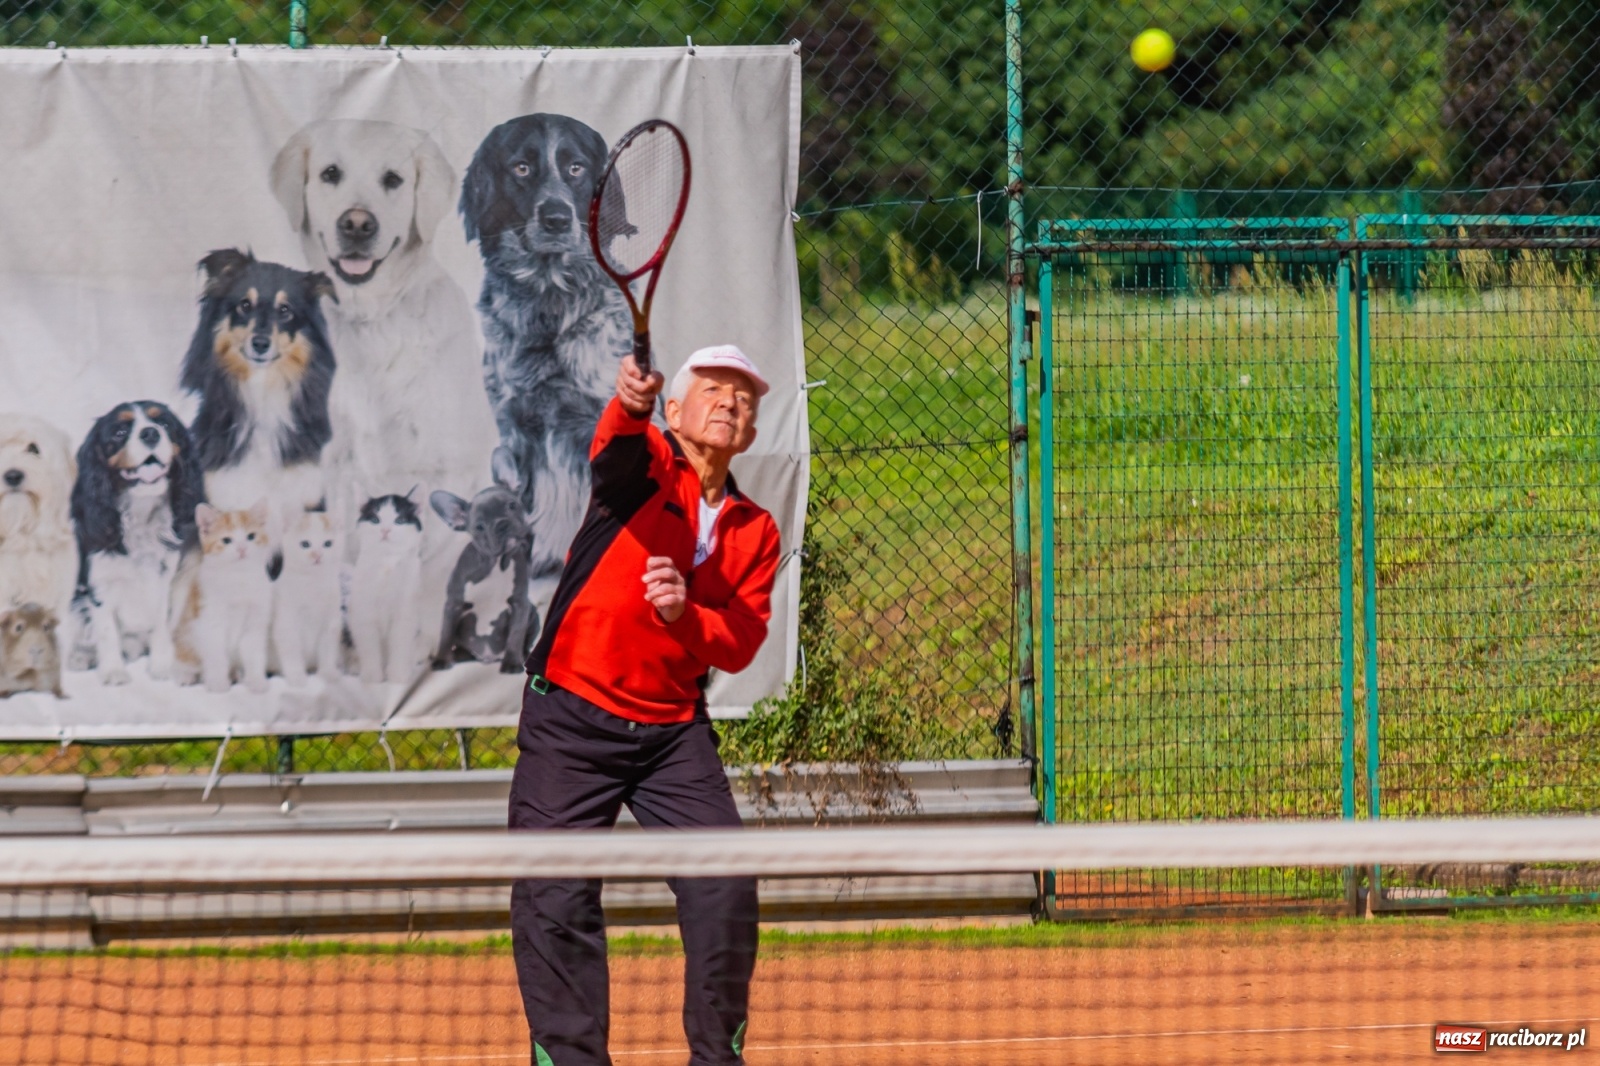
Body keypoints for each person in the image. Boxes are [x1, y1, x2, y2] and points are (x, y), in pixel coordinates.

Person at [509, 344, 781, 1066]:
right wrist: (628, 404)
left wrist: (682, 616)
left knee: (724, 887)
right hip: (569, 713)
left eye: (745, 398)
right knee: (555, 897)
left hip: (672, 735)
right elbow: (614, 456)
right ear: (675, 411)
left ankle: (716, 1057)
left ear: (751, 433)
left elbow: (740, 640)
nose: (730, 403)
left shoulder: (755, 530)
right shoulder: (646, 467)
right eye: (715, 390)